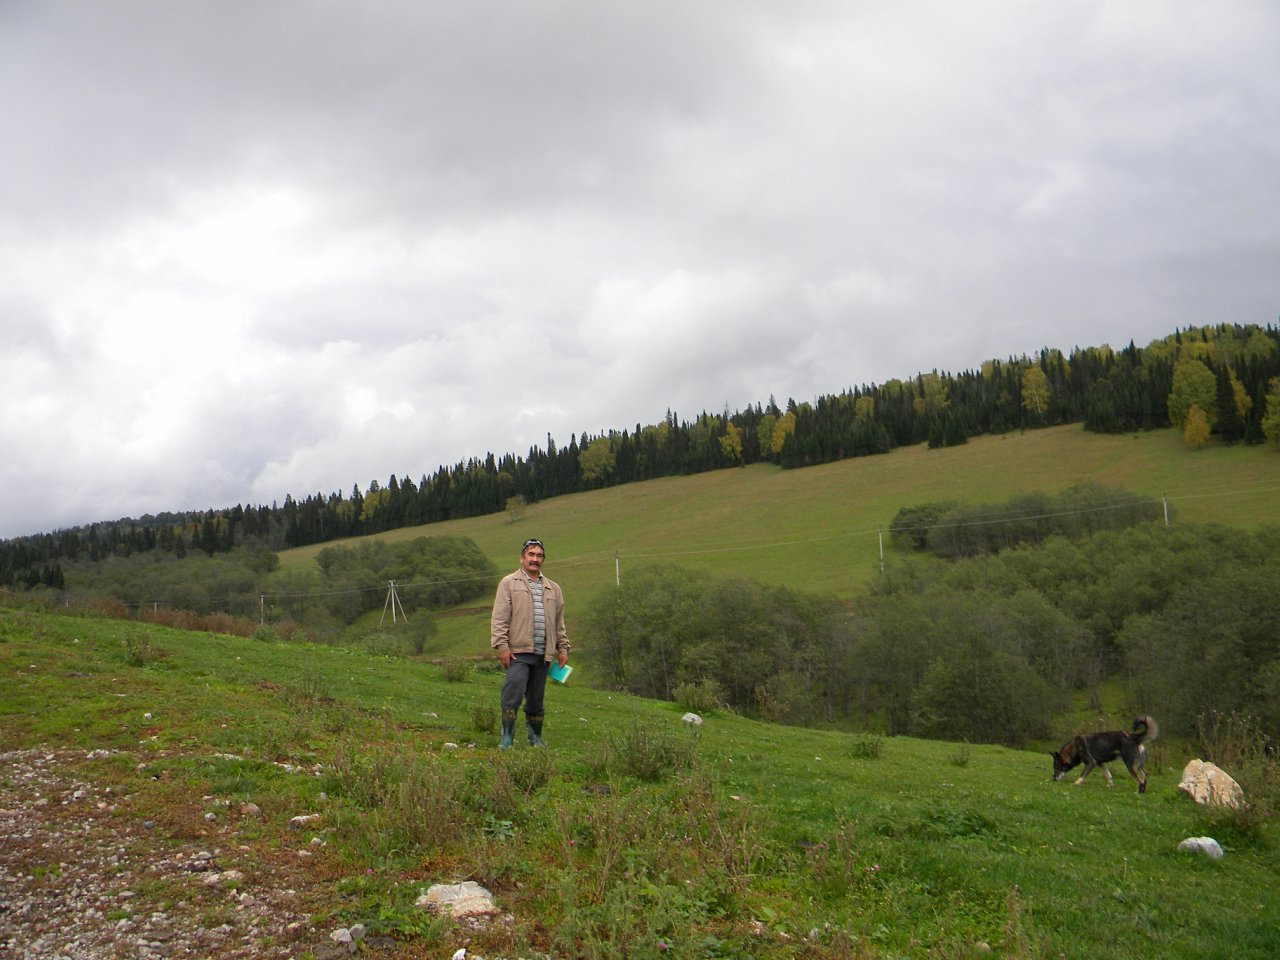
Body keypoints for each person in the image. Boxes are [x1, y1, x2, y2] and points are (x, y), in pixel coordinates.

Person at [490, 538, 570, 749]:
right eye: (531, 555)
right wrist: (502, 646)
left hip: (543, 654)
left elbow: (559, 622)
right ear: (522, 558)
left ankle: (535, 738)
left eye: (539, 555)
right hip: (517, 652)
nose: (535, 559)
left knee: (536, 699)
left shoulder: (553, 588)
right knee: (512, 692)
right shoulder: (509, 583)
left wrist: (562, 648)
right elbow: (499, 618)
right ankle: (507, 737)